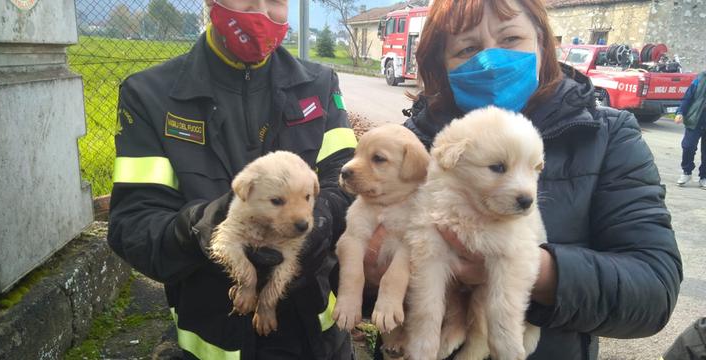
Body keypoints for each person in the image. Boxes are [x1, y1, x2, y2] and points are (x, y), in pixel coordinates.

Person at [371, 0, 682, 358]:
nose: (490, 61)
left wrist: (531, 269)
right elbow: (347, 259)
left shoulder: (607, 136)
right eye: (467, 48)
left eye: (511, 38)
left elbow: (654, 291)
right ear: (440, 62)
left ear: (541, 42)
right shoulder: (413, 143)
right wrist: (380, 268)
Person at [107, 0, 356, 359]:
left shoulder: (319, 84)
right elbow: (132, 226)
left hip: (315, 339)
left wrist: (315, 227)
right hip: (212, 339)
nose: (261, 12)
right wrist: (199, 228)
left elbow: (349, 185)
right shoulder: (149, 96)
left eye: (276, 1)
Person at [675, 71, 706, 188]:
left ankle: (704, 176)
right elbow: (687, 97)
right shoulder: (700, 78)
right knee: (688, 146)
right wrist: (680, 112)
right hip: (695, 119)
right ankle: (687, 172)